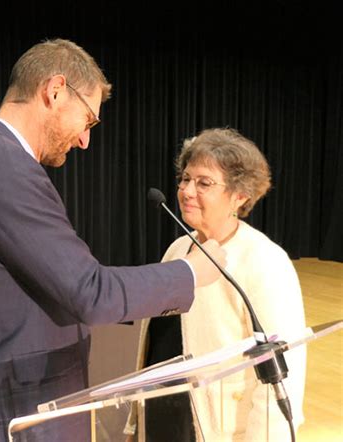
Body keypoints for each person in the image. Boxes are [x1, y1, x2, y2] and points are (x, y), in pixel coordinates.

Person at [0, 38, 227, 442]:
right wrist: (192, 272)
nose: (85, 140)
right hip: (13, 411)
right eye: (87, 120)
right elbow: (90, 292)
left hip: (2, 398)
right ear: (54, 91)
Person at [124, 128, 307, 441]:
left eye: (203, 183)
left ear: (239, 196)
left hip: (213, 429)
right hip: (162, 417)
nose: (186, 191)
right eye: (185, 178)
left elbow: (282, 375)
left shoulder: (265, 262)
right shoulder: (178, 249)